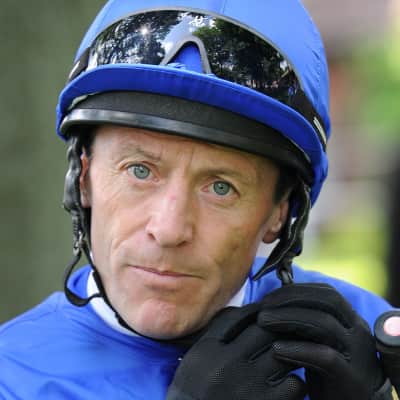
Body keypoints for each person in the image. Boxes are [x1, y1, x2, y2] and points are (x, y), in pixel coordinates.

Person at [0, 0, 396, 399]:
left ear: (281, 210)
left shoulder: (365, 335)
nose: (169, 230)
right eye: (140, 171)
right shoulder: (11, 375)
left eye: (221, 187)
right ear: (83, 179)